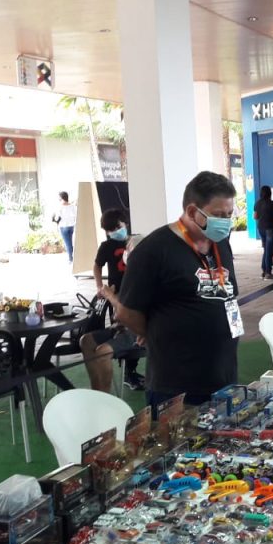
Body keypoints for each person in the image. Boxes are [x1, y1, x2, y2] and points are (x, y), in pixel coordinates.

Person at [102, 171, 240, 411]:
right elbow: (126, 312)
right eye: (218, 215)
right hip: (177, 384)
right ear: (192, 211)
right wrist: (158, 333)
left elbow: (229, 294)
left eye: (229, 215)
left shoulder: (220, 244)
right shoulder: (155, 250)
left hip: (223, 376)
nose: (226, 222)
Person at [80, 209, 144, 393]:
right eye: (111, 230)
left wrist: (111, 296)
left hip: (137, 328)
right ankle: (97, 392)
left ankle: (110, 392)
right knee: (86, 341)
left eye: (118, 227)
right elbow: (97, 266)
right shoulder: (107, 247)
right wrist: (102, 288)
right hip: (120, 310)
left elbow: (131, 315)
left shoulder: (143, 279)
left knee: (103, 351)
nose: (116, 232)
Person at [53, 191, 77, 262]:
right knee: (70, 242)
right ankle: (71, 257)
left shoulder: (60, 207)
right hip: (71, 226)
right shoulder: (73, 206)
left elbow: (57, 218)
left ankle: (71, 259)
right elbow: (75, 216)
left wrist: (55, 219)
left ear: (61, 198)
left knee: (68, 243)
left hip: (63, 227)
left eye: (59, 197)